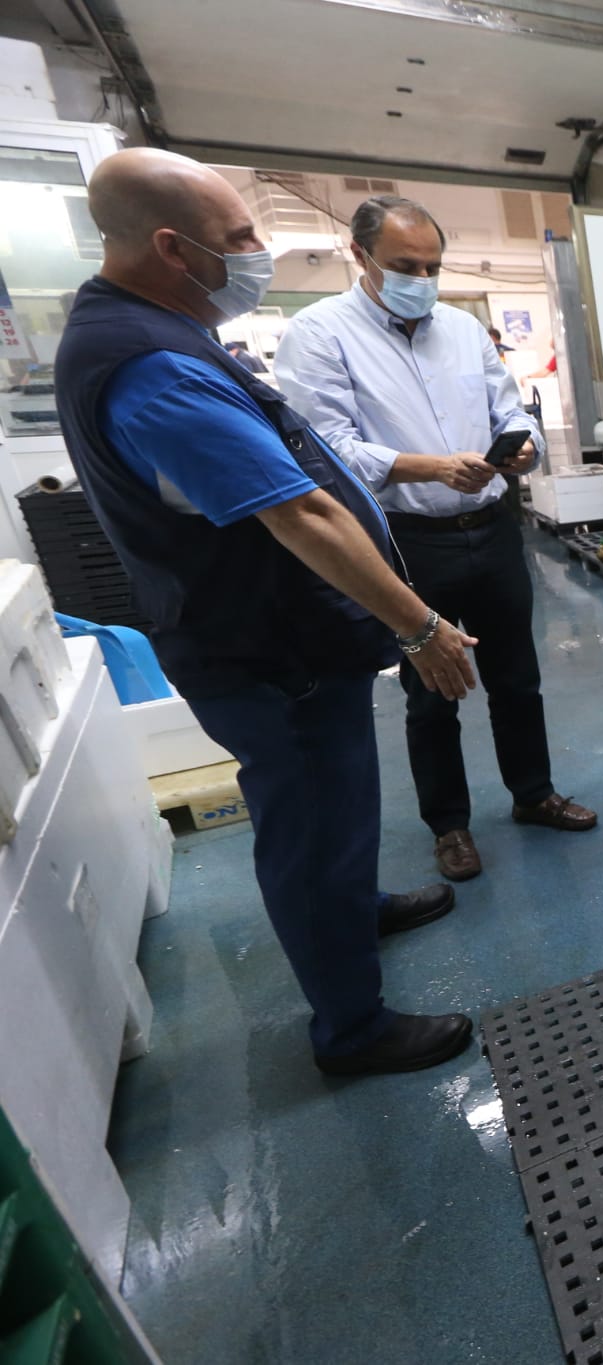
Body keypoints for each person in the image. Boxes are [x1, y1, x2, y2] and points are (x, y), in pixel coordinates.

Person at [55, 149, 480, 1076]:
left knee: (340, 807)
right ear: (171, 246)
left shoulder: (161, 326)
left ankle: (353, 912)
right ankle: (353, 1026)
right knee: (311, 824)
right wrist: (421, 628)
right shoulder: (149, 366)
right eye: (239, 236)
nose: (259, 251)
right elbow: (301, 510)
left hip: (291, 639)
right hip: (266, 651)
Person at [275, 195, 597, 883]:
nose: (421, 278)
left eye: (432, 266)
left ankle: (533, 792)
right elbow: (323, 448)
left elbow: (510, 408)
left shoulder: (462, 329)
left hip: (492, 529)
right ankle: (449, 825)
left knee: (518, 677)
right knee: (432, 688)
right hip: (409, 540)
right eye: (404, 265)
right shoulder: (320, 334)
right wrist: (428, 467)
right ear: (360, 257)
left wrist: (524, 448)